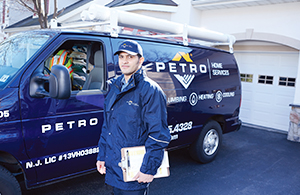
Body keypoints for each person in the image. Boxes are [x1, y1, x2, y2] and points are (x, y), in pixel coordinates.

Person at [96, 40, 171, 195]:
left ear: (140, 60)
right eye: (121, 56)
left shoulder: (150, 90)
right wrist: (102, 156)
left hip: (135, 172)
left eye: (130, 57)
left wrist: (148, 169)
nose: (124, 60)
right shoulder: (115, 86)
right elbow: (108, 127)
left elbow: (159, 134)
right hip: (113, 169)